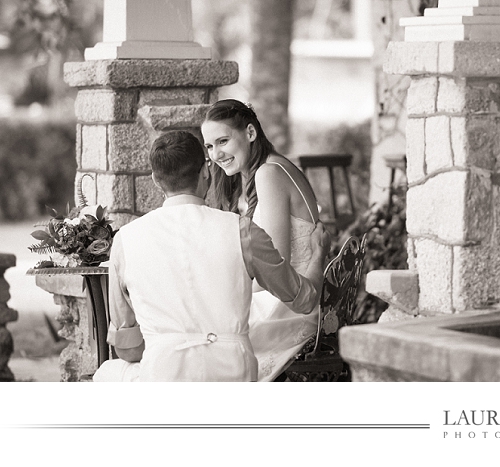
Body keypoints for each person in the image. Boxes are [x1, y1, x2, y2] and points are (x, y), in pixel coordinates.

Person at [93, 130, 330, 382]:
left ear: (155, 180)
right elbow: (304, 301)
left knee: (106, 374)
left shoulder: (126, 240)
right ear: (206, 171)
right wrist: (319, 255)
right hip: (233, 372)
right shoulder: (243, 231)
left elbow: (127, 349)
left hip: (164, 373)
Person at [201, 99, 323, 381]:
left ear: (251, 133)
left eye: (223, 141)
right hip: (289, 297)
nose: (216, 154)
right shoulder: (263, 171)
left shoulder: (269, 174)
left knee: (206, 337)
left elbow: (273, 271)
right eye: (209, 146)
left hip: (289, 308)